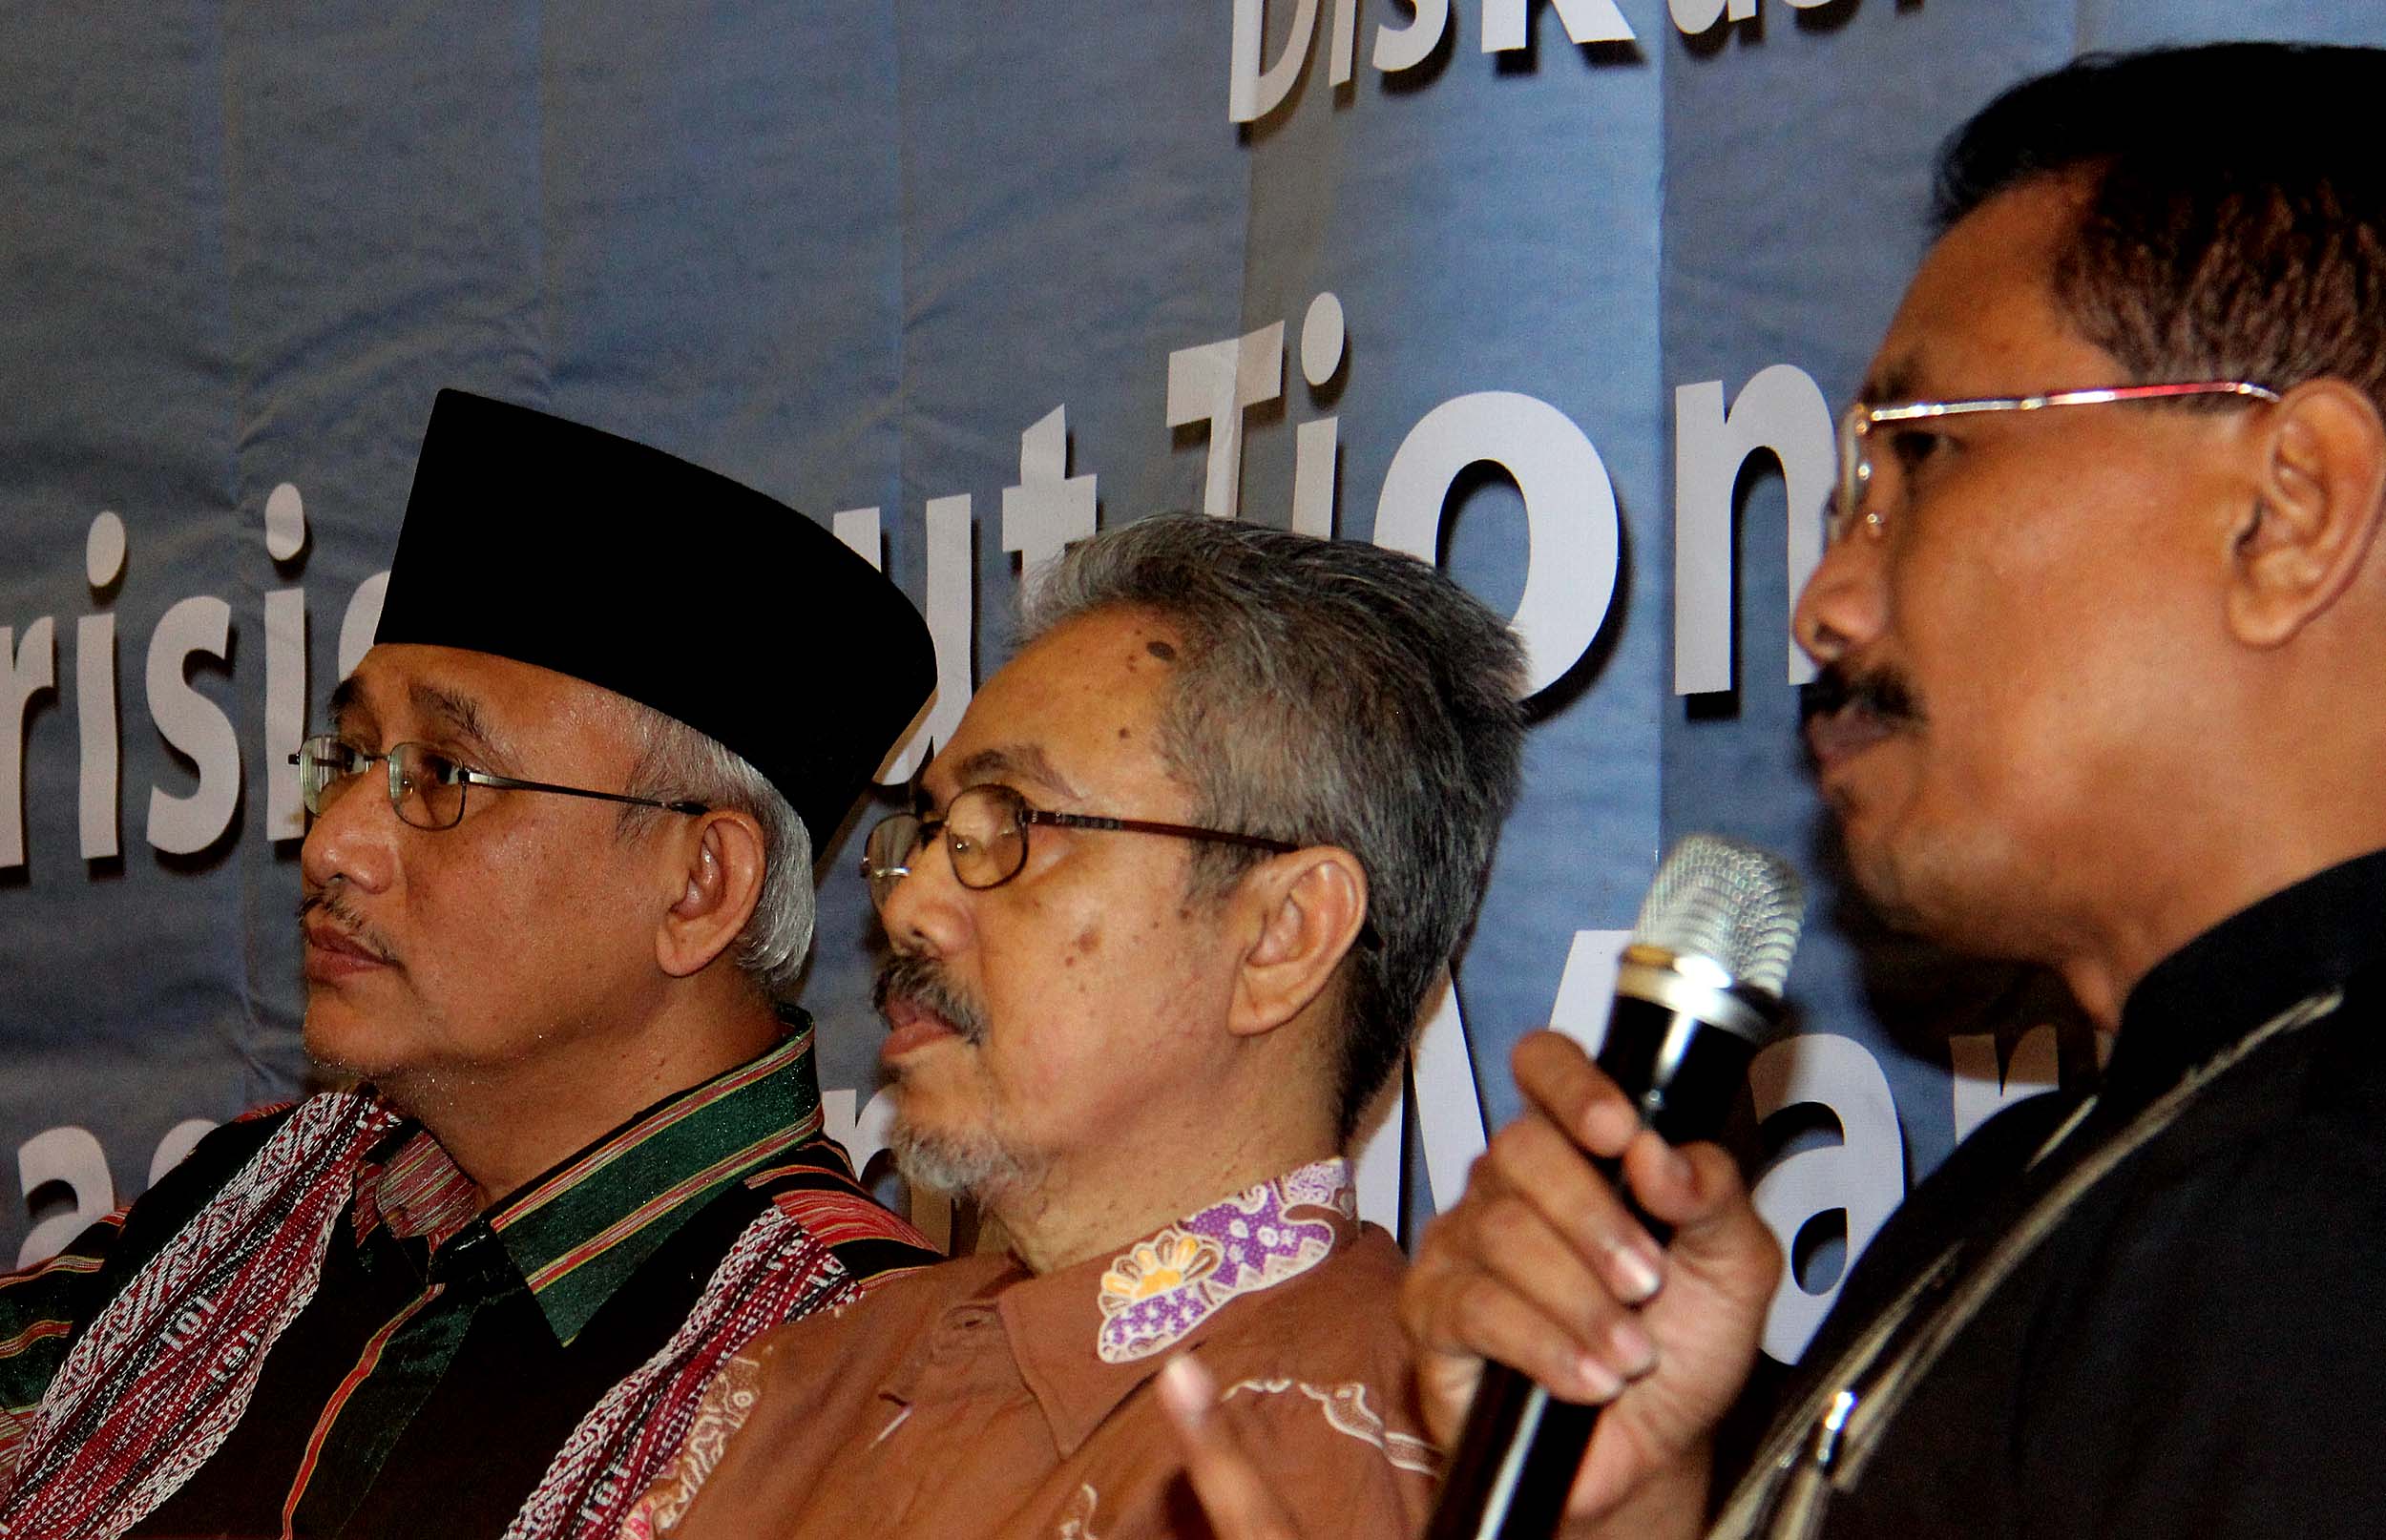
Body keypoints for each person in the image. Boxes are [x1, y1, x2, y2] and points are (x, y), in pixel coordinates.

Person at [1175, 39, 2386, 1540]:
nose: (1824, 604)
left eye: (1922, 459)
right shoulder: (2054, 1175)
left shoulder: (2327, 1219)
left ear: (2288, 509)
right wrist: (1632, 1504)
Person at [0, 389, 946, 1539]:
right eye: (352, 756)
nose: (335, 842)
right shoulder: (262, 1194)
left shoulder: (870, 1388)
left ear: (699, 885)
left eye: (445, 775)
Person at [620, 512, 1528, 1537]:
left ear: (1281, 936)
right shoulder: (810, 1376)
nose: (910, 905)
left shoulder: (1366, 1465)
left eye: (1011, 823)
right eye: (933, 832)